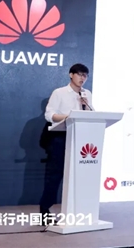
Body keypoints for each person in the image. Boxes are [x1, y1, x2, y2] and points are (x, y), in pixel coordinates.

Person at [39, 63, 93, 225]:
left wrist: (85, 106)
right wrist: (69, 116)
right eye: (80, 74)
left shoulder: (87, 94)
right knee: (55, 175)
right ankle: (45, 210)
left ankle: (77, 209)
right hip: (60, 137)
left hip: (80, 137)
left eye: (85, 75)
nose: (82, 78)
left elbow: (90, 114)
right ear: (71, 75)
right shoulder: (60, 92)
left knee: (78, 175)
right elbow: (49, 114)